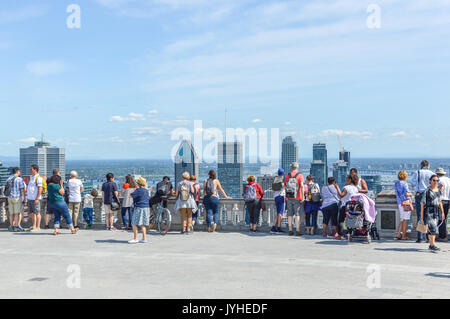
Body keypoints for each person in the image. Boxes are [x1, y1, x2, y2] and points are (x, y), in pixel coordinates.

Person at [411, 160, 435, 243]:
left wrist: (417, 189)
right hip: (429, 195)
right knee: (429, 216)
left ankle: (419, 237)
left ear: (421, 165)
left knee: (419, 215)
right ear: (428, 165)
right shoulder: (431, 173)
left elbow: (413, 184)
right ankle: (428, 237)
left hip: (419, 194)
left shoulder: (417, 172)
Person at [420, 175, 446, 252]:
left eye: (437, 180)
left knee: (433, 228)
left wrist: (442, 212)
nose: (435, 182)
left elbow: (440, 201)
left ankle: (431, 244)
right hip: (429, 211)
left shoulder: (438, 190)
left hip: (436, 211)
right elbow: (422, 203)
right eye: (434, 180)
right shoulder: (427, 191)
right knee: (432, 227)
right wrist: (421, 215)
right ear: (430, 181)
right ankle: (432, 245)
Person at [335, 175, 360, 240]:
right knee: (351, 220)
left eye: (346, 179)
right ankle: (349, 233)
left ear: (349, 180)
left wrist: (337, 187)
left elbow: (341, 195)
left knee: (341, 221)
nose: (345, 181)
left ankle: (340, 235)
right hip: (353, 207)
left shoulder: (346, 188)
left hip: (345, 206)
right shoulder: (356, 188)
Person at [284, 162, 305, 236]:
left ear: (291, 168)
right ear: (297, 168)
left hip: (289, 197)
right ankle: (298, 230)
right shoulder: (300, 175)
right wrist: (302, 197)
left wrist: (286, 196)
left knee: (289, 214)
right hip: (297, 197)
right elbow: (302, 186)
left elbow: (284, 186)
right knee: (297, 214)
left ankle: (290, 230)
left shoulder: (288, 176)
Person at [128, 177, 150, 244]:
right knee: (143, 224)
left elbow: (130, 196)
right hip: (146, 208)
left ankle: (135, 238)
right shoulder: (146, 190)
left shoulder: (138, 190)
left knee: (134, 223)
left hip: (139, 208)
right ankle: (144, 238)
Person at [5, 167, 26, 232]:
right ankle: (16, 226)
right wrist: (24, 198)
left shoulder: (8, 178)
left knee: (11, 213)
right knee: (17, 213)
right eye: (19, 171)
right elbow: (22, 190)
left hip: (9, 197)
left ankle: (12, 226)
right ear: (17, 171)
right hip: (17, 197)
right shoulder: (19, 179)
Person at [394, 170, 414, 240]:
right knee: (406, 219)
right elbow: (406, 193)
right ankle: (404, 236)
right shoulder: (404, 183)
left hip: (400, 203)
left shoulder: (396, 183)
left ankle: (398, 234)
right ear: (405, 176)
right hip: (406, 203)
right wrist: (411, 194)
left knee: (402, 219)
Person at [27, 165, 44, 232]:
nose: (30, 170)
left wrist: (37, 198)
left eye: (31, 169)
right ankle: (34, 226)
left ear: (35, 170)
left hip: (35, 198)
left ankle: (38, 226)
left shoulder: (38, 178)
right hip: (30, 198)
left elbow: (40, 189)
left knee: (37, 212)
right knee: (32, 212)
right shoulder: (32, 177)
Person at [436, 168, 450, 242]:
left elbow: (438, 189)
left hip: (441, 200)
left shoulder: (439, 180)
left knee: (440, 218)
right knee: (444, 218)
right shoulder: (448, 179)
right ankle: (444, 235)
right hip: (447, 200)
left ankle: (442, 236)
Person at [271, 169, 286, 234]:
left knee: (278, 212)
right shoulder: (283, 179)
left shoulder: (275, 179)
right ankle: (278, 228)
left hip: (276, 197)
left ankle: (273, 227)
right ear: (283, 173)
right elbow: (284, 187)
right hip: (281, 196)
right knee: (280, 213)